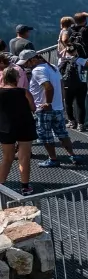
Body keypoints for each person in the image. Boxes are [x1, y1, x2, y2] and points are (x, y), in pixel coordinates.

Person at [19, 50, 80, 168]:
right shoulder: (52, 67)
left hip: (44, 109)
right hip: (57, 107)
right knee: (62, 133)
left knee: (46, 135)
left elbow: (48, 87)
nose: (26, 65)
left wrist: (48, 103)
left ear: (33, 60)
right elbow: (61, 85)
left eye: (27, 62)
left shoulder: (37, 70)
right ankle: (72, 155)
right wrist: (60, 101)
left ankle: (53, 159)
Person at [0, 66, 36, 196]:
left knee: (7, 157)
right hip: (24, 125)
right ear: (16, 78)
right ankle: (25, 187)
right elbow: (33, 107)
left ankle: (1, 184)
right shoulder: (24, 92)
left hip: (5, 127)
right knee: (24, 157)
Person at [58, 46, 88, 130]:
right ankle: (80, 124)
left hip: (66, 84)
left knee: (68, 103)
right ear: (75, 51)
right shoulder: (79, 60)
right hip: (80, 84)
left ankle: (71, 121)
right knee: (80, 104)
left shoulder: (61, 60)